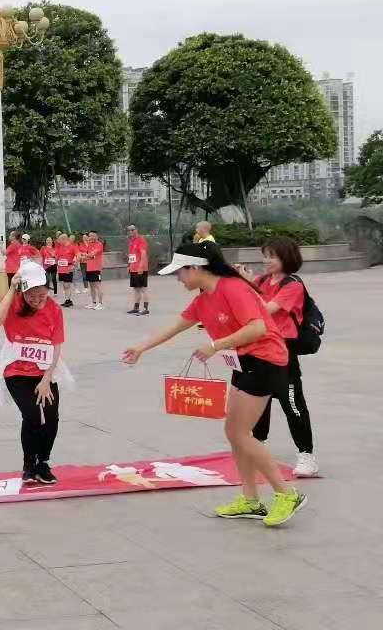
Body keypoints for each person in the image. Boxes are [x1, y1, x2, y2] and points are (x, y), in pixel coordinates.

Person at [122, 242, 307, 527]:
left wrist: (214, 345)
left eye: (180, 273)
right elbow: (174, 326)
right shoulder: (203, 298)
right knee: (235, 432)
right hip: (243, 362)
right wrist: (140, 348)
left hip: (266, 361)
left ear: (195, 268)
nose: (179, 279)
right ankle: (250, 499)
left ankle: (286, 494)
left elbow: (258, 327)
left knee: (240, 433)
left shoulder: (233, 288)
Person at [240, 237, 319, 478]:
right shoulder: (262, 280)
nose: (266, 261)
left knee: (293, 406)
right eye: (265, 255)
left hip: (284, 354)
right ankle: (259, 449)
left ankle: (306, 456)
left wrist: (246, 284)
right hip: (258, 352)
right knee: (258, 406)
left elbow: (266, 309)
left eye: (272, 256)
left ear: (286, 258)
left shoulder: (293, 285)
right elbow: (242, 302)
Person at [0, 261, 69, 484]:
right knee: (33, 416)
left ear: (47, 289)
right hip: (16, 371)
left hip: (44, 371)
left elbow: (56, 345)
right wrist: (12, 290)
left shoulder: (54, 309)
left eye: (41, 296)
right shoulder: (14, 304)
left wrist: (47, 379)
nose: (36, 301)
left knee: (51, 417)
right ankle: (28, 464)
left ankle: (42, 462)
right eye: (30, 296)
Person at [126, 225, 150, 315]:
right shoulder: (131, 241)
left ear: (136, 230)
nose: (130, 231)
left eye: (132, 229)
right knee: (136, 289)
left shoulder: (141, 240)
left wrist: (141, 266)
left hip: (141, 268)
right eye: (129, 230)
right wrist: (129, 265)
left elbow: (143, 254)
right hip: (133, 269)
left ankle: (145, 309)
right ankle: (136, 307)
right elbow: (131, 255)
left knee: (143, 288)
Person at [80, 232, 105, 310]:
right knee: (91, 286)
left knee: (97, 285)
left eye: (92, 236)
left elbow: (92, 254)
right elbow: (88, 256)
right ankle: (93, 302)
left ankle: (100, 303)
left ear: (96, 236)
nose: (90, 237)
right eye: (90, 236)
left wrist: (84, 255)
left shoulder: (99, 244)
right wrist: (83, 257)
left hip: (96, 268)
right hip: (89, 268)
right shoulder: (90, 245)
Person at [55, 234, 78, 308]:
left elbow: (78, 255)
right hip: (61, 269)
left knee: (67, 285)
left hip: (68, 269)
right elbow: (57, 257)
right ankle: (67, 299)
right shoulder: (60, 247)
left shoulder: (72, 247)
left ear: (64, 239)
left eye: (60, 240)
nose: (59, 242)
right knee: (64, 285)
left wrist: (74, 265)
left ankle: (68, 300)